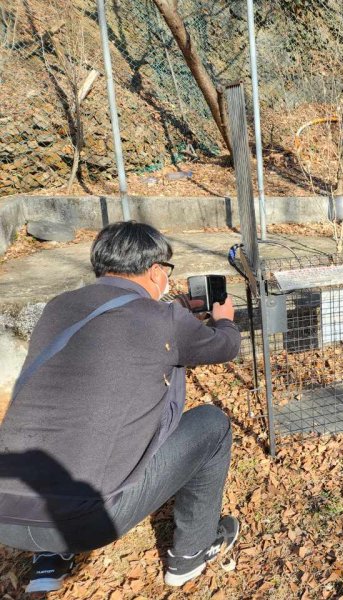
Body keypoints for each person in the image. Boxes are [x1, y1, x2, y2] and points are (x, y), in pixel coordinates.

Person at [0, 222, 242, 592]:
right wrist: (225, 322)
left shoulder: (58, 307)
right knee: (212, 425)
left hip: (6, 513)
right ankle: (190, 555)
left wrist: (174, 311)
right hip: (85, 521)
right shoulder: (164, 319)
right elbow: (223, 347)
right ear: (157, 270)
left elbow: (124, 323)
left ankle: (49, 560)